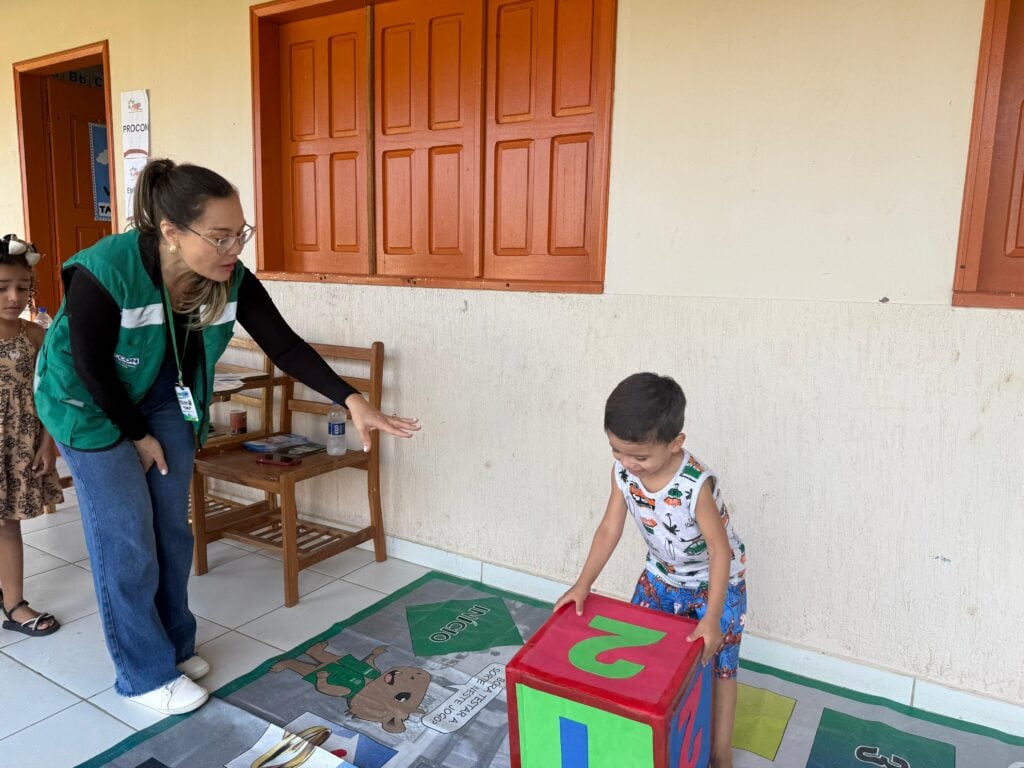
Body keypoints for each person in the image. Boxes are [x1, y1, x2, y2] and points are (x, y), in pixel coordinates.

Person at [33, 159, 419, 716]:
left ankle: (174, 646)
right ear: (171, 231)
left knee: (172, 528)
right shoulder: (105, 270)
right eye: (220, 236)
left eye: (241, 233)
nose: (234, 248)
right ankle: (143, 675)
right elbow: (92, 368)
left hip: (163, 395)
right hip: (88, 405)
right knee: (126, 537)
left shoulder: (229, 275)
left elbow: (285, 346)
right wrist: (137, 436)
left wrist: (352, 399)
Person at [554, 372, 747, 768]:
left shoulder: (695, 485)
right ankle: (650, 732)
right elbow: (610, 528)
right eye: (616, 451)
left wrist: (712, 618)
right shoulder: (623, 473)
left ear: (676, 443)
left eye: (639, 457)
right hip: (660, 577)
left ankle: (720, 750)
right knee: (642, 651)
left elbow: (719, 552)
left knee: (721, 667)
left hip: (717, 582)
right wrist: (582, 584)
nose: (628, 464)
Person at [0, 234, 64, 638]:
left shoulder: (36, 336)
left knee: (8, 523)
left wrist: (47, 443)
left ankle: (14, 604)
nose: (13, 297)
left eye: (22, 288)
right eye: (2, 288)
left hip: (18, 445)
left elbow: (50, 396)